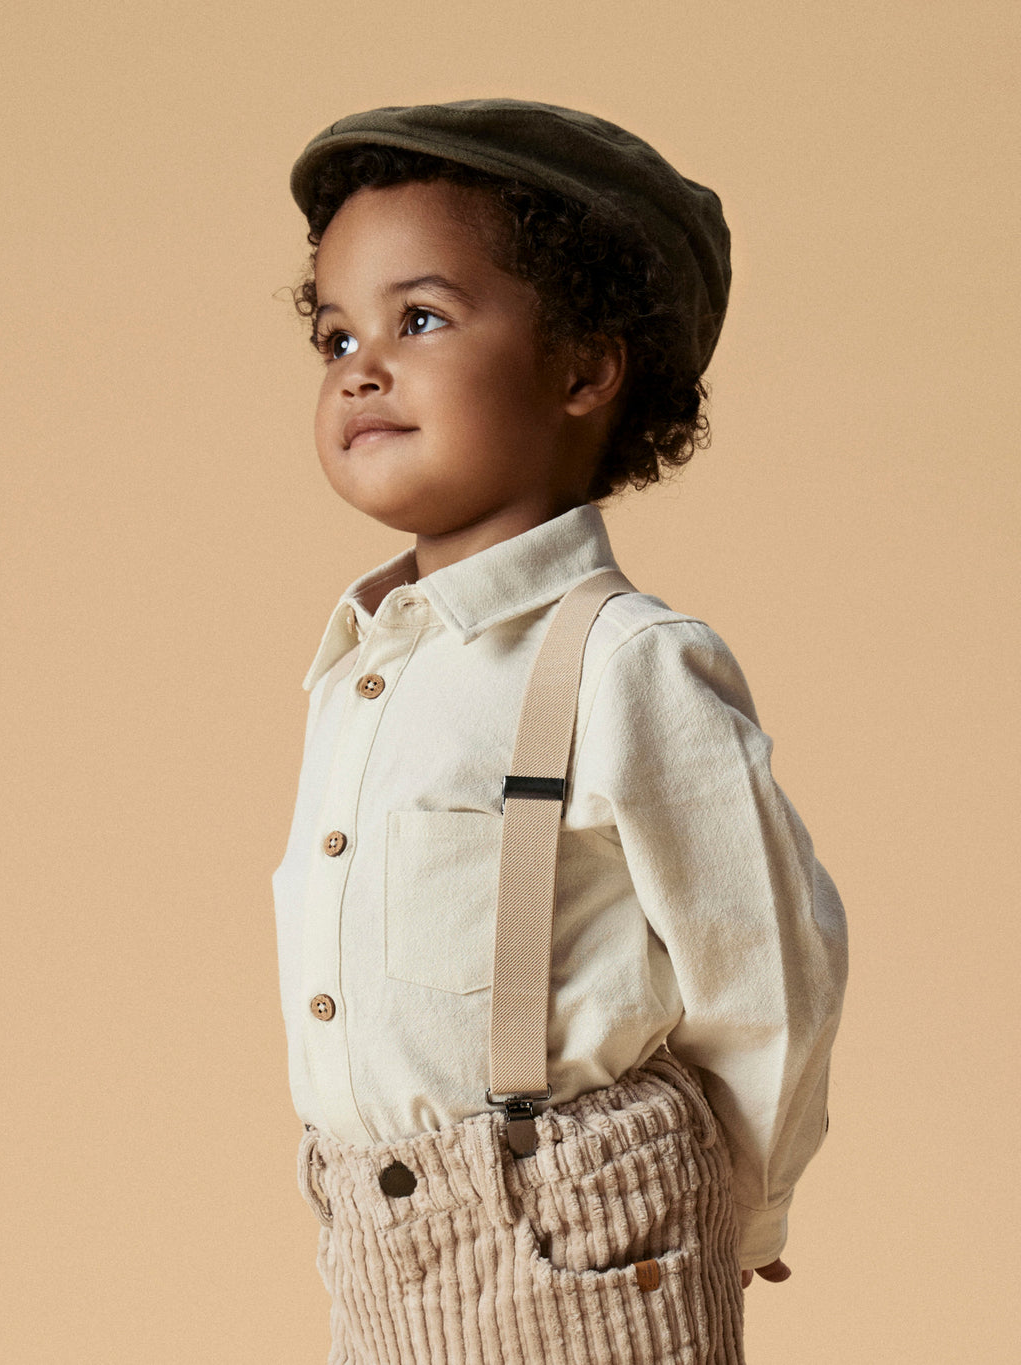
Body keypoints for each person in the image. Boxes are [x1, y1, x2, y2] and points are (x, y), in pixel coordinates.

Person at [272, 98, 848, 1365]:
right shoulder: (359, 669)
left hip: (579, 1232)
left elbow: (763, 964)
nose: (360, 367)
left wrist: (750, 1204)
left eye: (420, 320)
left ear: (584, 370)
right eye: (336, 335)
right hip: (373, 1237)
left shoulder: (623, 661)